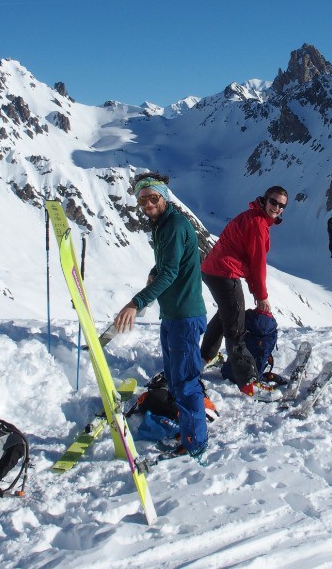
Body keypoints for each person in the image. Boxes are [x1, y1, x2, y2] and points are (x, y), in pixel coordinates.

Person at [114, 172, 207, 459]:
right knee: (176, 379)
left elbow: (171, 272)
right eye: (142, 200)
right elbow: (169, 265)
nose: (147, 204)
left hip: (184, 317)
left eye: (153, 198)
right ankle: (188, 428)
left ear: (163, 197)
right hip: (173, 316)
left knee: (185, 381)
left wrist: (136, 303)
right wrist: (156, 272)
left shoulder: (174, 226)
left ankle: (195, 442)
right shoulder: (163, 225)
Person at [199, 186, 289, 401]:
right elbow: (257, 263)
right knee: (236, 329)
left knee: (226, 315)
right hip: (223, 272)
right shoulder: (258, 224)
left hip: (214, 270)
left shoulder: (255, 217)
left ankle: (203, 358)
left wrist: (255, 290)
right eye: (273, 202)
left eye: (281, 205)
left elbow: (249, 260)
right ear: (265, 200)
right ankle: (248, 382)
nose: (276, 207)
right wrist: (261, 295)